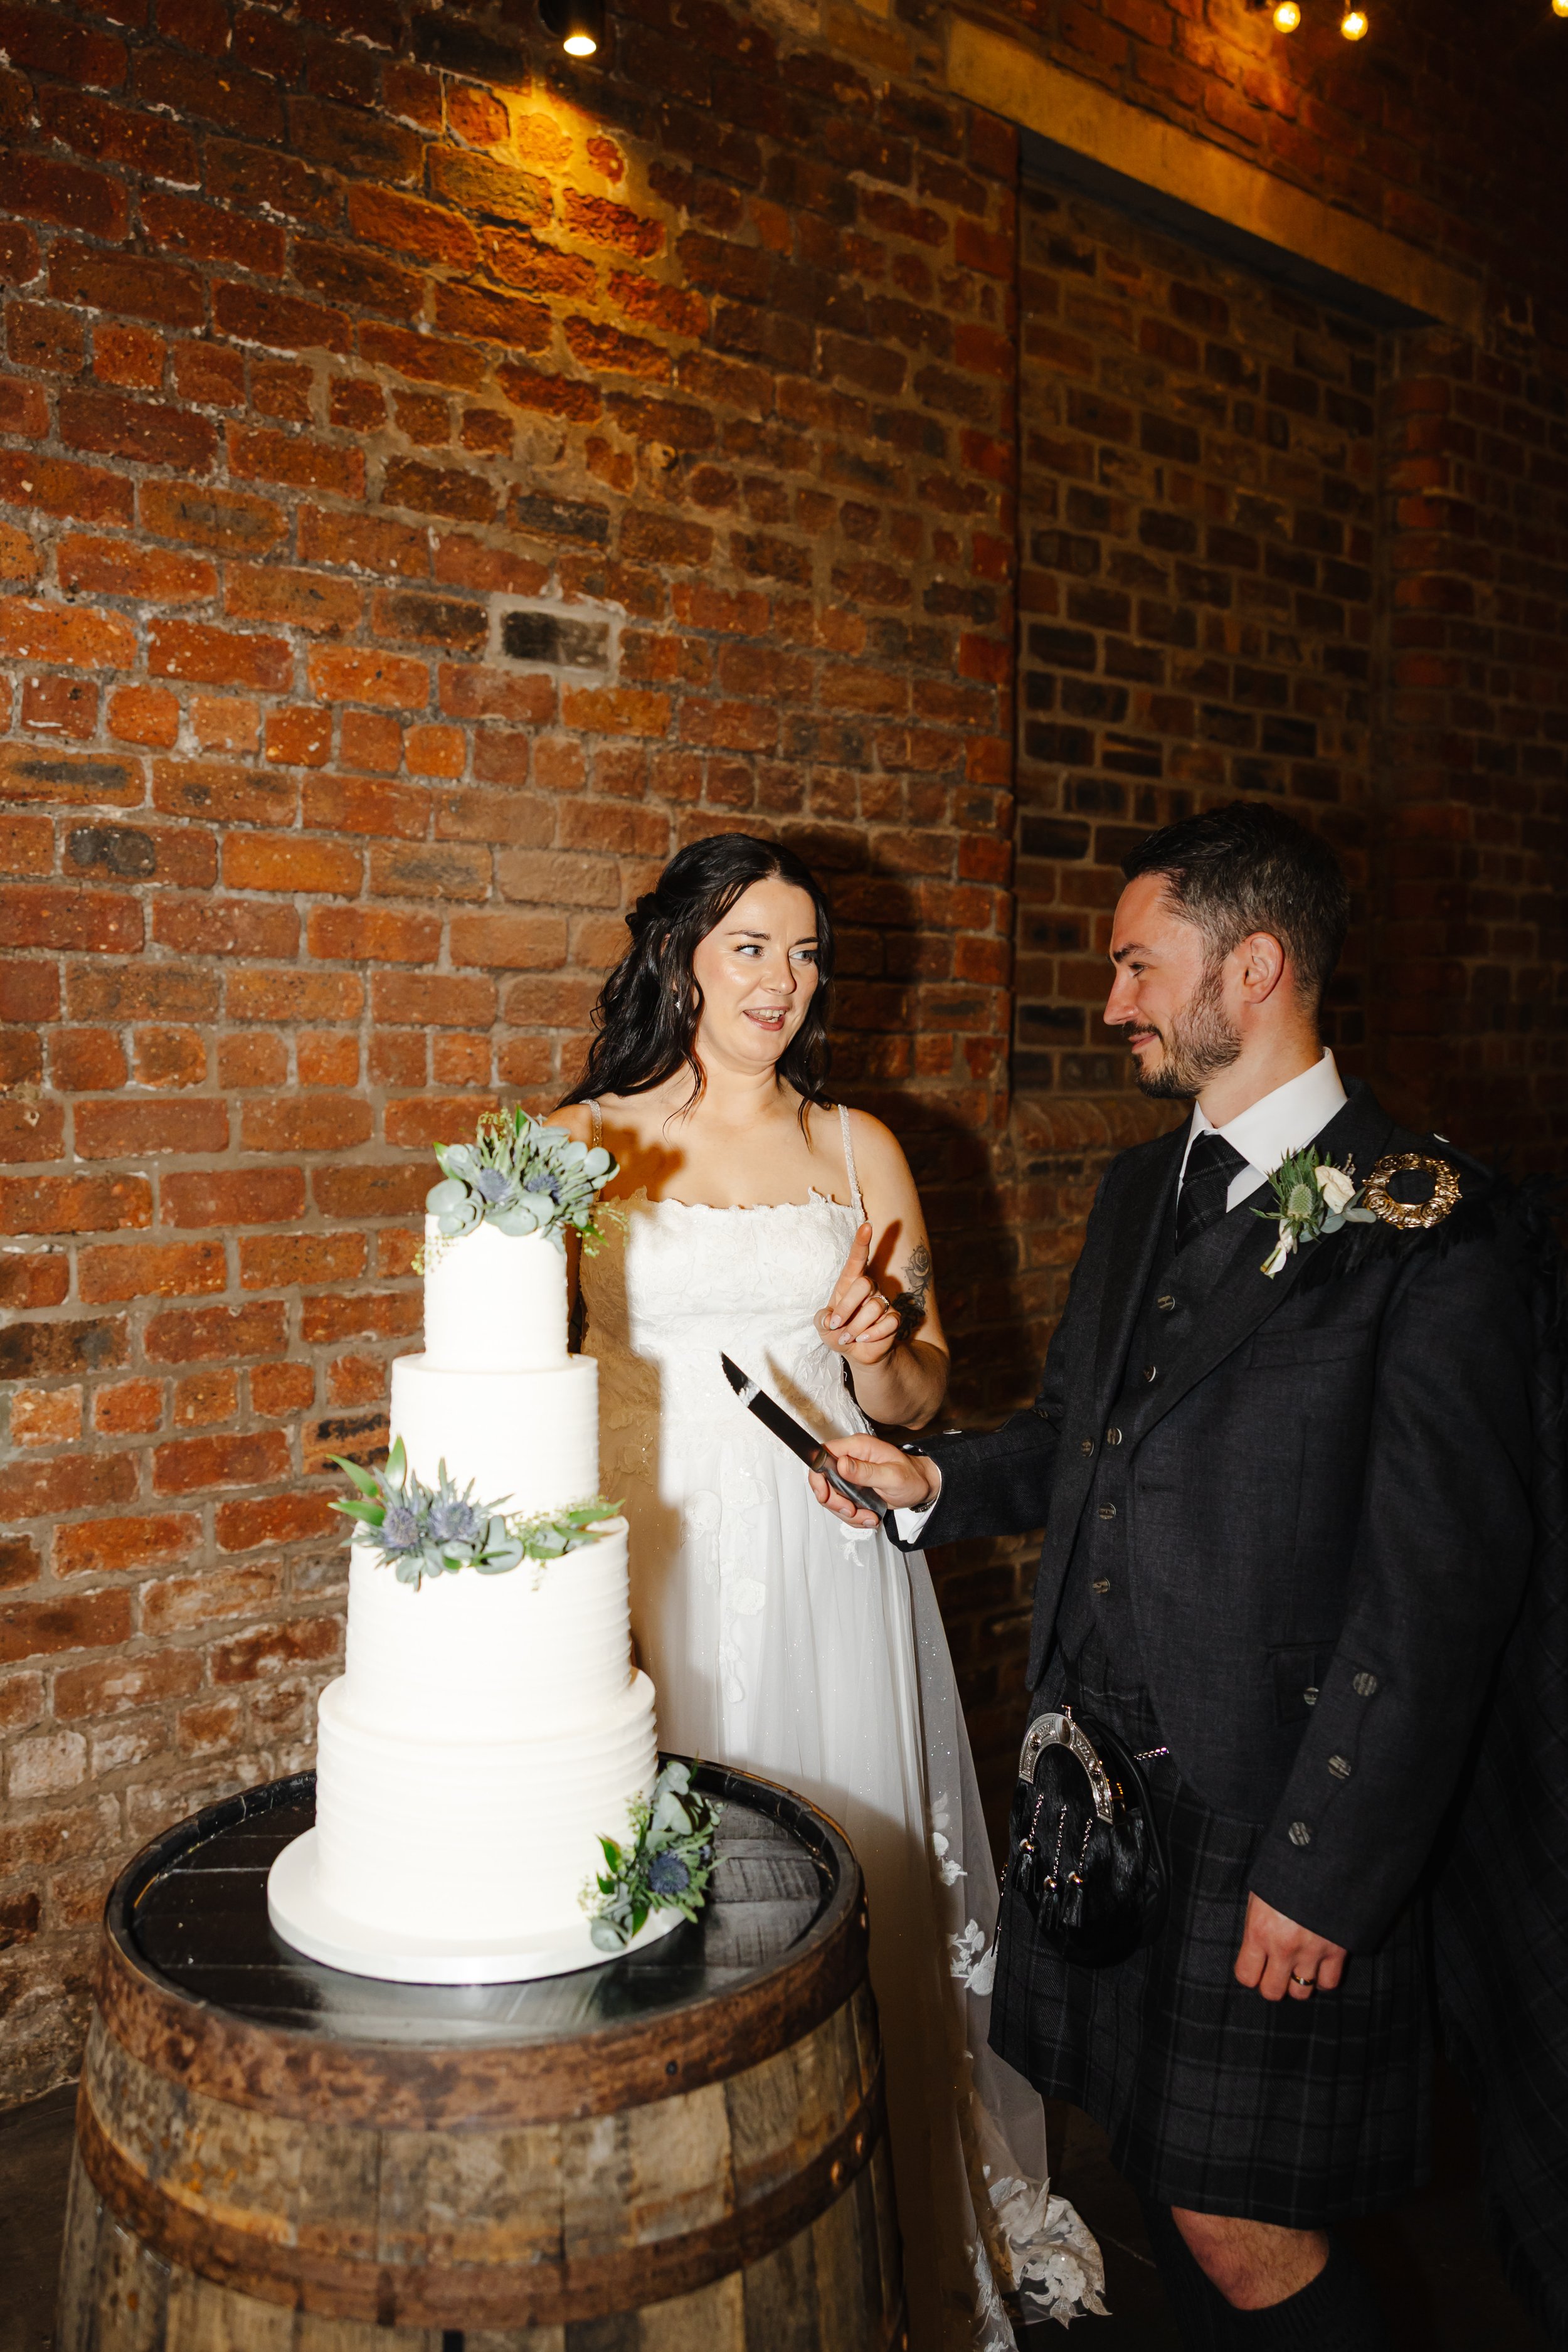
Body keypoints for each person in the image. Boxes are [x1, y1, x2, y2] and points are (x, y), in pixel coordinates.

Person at [810, 803, 1543, 2350]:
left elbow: (1437, 1595)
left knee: (1241, 2228)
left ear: (1252, 968)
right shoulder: (1141, 1190)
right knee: (1156, 2169)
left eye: (1138, 966)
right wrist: (934, 1482)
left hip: (1275, 1811)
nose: (1112, 1004)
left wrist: (1323, 1866)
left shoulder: (1435, 1225)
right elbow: (1081, 1433)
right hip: (1106, 1794)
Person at [556, 833, 1103, 2349]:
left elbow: (921, 1398)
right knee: (671, 1894)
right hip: (656, 1562)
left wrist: (877, 1348)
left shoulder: (859, 1148)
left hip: (827, 1561)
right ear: (678, 955)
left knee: (838, 1888)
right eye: (750, 945)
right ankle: (675, 2198)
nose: (782, 982)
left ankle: (867, 2213)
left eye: (804, 955)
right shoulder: (574, 1145)